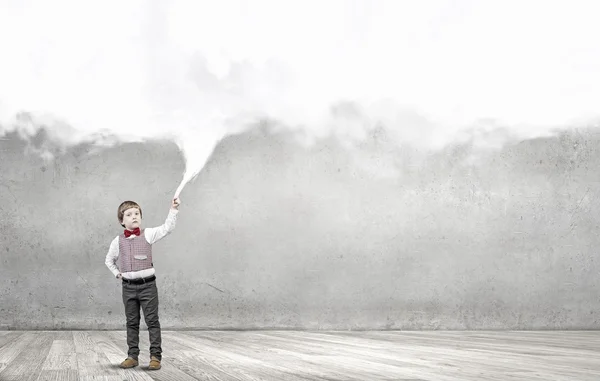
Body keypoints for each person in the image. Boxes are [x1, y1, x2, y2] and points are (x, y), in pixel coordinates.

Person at [105, 197, 180, 370]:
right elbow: (109, 260)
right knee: (132, 322)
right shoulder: (118, 241)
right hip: (128, 288)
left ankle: (155, 356)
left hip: (148, 287)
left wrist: (173, 210)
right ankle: (132, 356)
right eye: (129, 214)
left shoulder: (148, 234)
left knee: (152, 321)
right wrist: (118, 274)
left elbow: (167, 228)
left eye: (137, 213)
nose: (134, 216)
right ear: (121, 221)